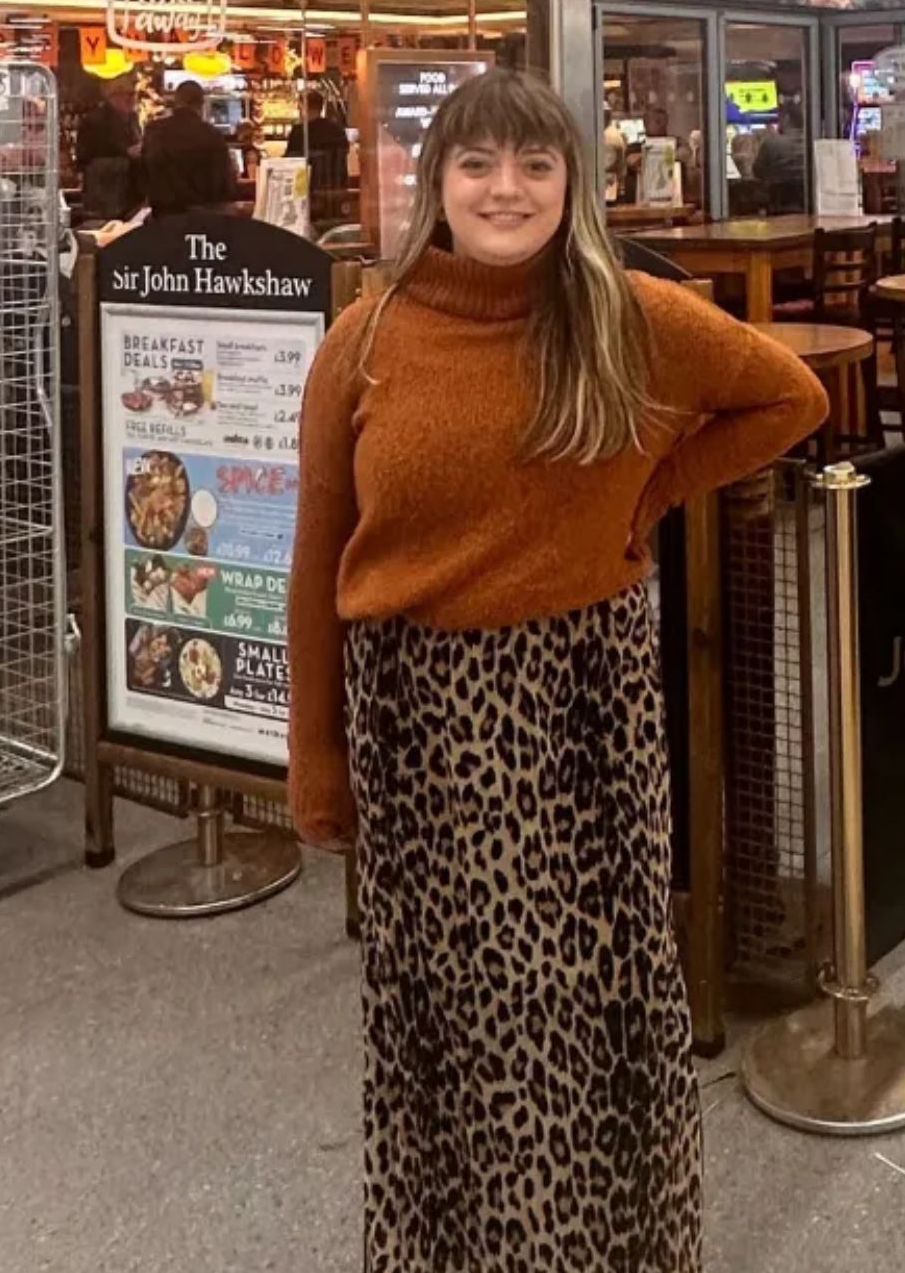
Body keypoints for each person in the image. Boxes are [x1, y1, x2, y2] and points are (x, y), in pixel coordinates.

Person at [286, 69, 827, 1271]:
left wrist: (650, 488)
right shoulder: (361, 344)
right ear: (435, 185)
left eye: (534, 163)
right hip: (417, 724)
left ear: (572, 183)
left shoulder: (623, 315)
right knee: (446, 1021)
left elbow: (787, 396)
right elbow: (317, 557)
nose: (505, 187)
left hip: (585, 714)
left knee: (591, 1014)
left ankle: (609, 1246)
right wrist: (313, 758)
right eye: (476, 162)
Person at [140, 79, 236, 219]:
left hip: (163, 218)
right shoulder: (212, 135)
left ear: (175, 101)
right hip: (203, 218)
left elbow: (144, 175)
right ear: (201, 104)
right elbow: (224, 184)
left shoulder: (154, 131)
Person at [75, 78, 141, 220]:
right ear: (113, 96)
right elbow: (84, 158)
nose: (132, 98)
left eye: (133, 94)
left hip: (130, 189)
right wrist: (127, 154)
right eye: (127, 94)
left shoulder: (132, 118)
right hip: (105, 191)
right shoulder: (95, 120)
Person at [750, 99, 807, 213]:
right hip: (807, 209)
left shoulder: (771, 143)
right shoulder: (812, 144)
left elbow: (757, 172)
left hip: (778, 209)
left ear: (786, 118)